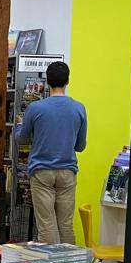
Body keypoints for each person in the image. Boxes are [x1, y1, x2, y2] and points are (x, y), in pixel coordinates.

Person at [14, 61, 87, 244]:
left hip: (42, 171)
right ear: (67, 81)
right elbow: (80, 146)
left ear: (47, 81)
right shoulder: (79, 108)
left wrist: (20, 125)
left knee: (46, 224)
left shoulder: (36, 108)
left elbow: (22, 139)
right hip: (68, 172)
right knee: (66, 224)